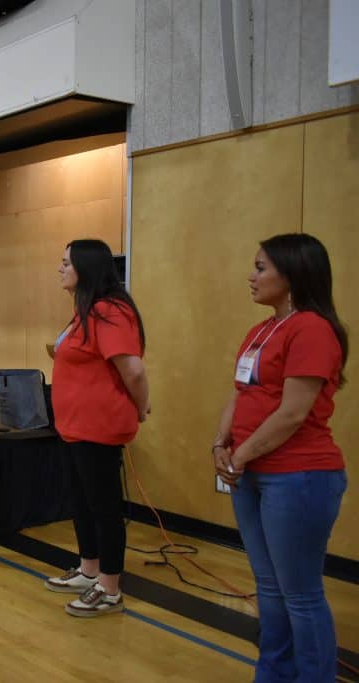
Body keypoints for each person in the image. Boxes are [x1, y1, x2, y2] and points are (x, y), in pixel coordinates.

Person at [212, 233, 347, 681]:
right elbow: (241, 394)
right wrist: (220, 445)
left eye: (261, 268)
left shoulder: (312, 328)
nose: (251, 277)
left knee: (301, 592)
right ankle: (273, 672)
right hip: (251, 473)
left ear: (292, 276)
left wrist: (241, 455)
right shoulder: (261, 330)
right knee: (268, 587)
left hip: (298, 476)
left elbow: (292, 413)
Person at [45, 239, 149, 617]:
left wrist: (143, 406)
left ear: (86, 268)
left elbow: (133, 369)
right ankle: (89, 570)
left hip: (99, 428)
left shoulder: (111, 311)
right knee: (81, 501)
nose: (59, 269)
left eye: (65, 262)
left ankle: (110, 587)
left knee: (104, 507)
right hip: (74, 427)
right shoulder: (85, 311)